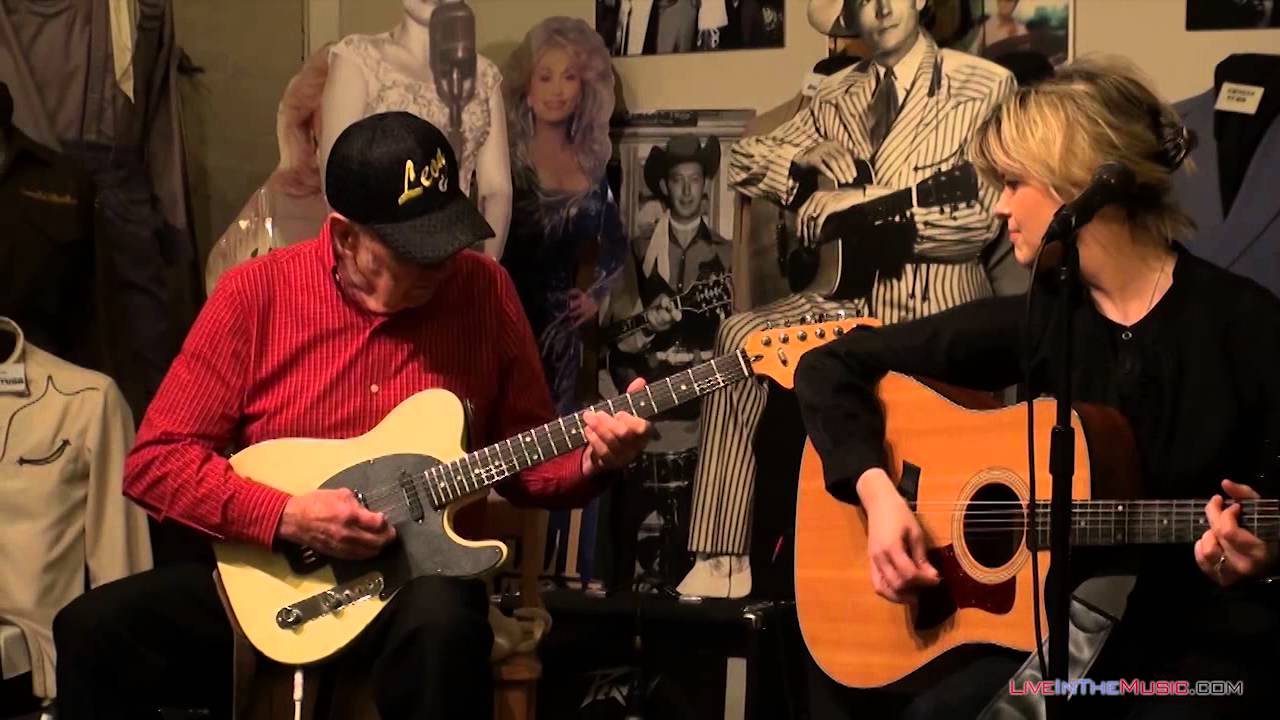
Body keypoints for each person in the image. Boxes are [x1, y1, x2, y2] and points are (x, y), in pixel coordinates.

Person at [51, 112, 653, 720]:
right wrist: (285, 515)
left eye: (449, 240)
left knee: (444, 627)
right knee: (90, 631)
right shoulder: (253, 297)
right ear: (343, 237)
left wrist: (596, 460)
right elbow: (155, 464)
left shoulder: (484, 292)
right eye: (415, 253)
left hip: (421, 588)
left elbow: (525, 467)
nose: (442, 266)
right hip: (277, 584)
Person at [794, 57, 1280, 719]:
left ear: (1078, 184)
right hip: (1072, 652)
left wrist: (1260, 559)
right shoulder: (1046, 319)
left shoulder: (1249, 327)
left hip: (1201, 662)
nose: (998, 205)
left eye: (1013, 181)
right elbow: (829, 366)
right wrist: (878, 495)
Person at [679, 0, 1016, 598]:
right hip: (844, 302)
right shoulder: (838, 97)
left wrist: (864, 207)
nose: (879, 8)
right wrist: (801, 168)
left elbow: (977, 220)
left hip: (932, 305)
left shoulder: (983, 85)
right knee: (738, 335)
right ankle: (723, 556)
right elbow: (741, 159)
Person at [499, 16, 629, 587]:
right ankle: (502, 565)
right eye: (544, 75)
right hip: (504, 310)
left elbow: (617, 244)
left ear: (586, 87)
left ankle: (548, 574)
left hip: (561, 327)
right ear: (526, 84)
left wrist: (597, 296)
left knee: (557, 440)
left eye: (569, 77)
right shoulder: (504, 158)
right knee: (502, 437)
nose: (555, 88)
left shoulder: (594, 161)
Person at [605, 135, 734, 591]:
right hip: (647, 420)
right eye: (677, 180)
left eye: (694, 180)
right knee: (619, 547)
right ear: (665, 185)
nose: (686, 190)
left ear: (705, 186)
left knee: (689, 558)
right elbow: (613, 341)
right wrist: (649, 325)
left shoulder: (726, 254)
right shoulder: (637, 253)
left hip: (701, 422)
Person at [321, 0, 512, 259]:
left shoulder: (483, 76)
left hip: (454, 256)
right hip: (376, 260)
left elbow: (497, 190)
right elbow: (336, 183)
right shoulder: (358, 59)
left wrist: (486, 272)